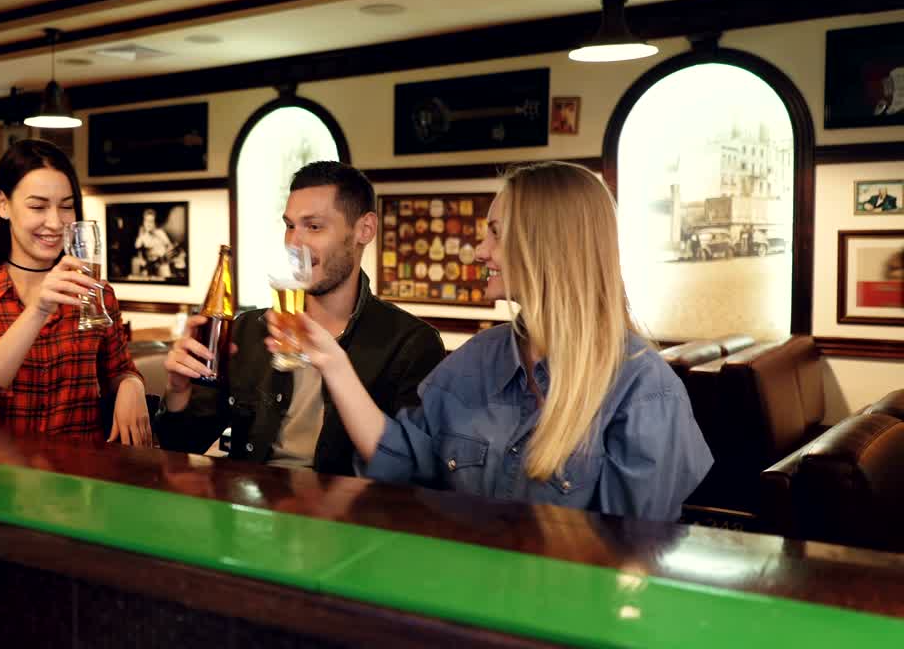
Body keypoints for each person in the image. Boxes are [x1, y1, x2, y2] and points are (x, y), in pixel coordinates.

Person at [271, 162, 712, 521]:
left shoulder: (644, 389)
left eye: (495, 233)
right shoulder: (478, 358)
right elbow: (403, 460)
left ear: (549, 244)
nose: (479, 251)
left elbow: (633, 557)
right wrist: (334, 364)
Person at [161, 161, 445, 475]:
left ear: (365, 230)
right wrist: (178, 390)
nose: (294, 243)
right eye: (290, 225)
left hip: (350, 516)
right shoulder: (248, 330)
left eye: (314, 226)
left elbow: (414, 476)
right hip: (253, 510)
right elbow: (181, 445)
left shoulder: (411, 344)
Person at [0, 139, 152, 445]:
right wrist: (37, 310)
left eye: (66, 206)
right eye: (38, 206)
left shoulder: (95, 293)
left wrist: (132, 384)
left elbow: (118, 370)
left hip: (78, 478)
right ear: (3, 205)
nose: (55, 222)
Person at [132, 208, 175, 278]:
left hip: (162, 263)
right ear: (143, 222)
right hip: (150, 265)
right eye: (146, 221)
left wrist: (166, 255)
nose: (149, 224)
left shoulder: (160, 233)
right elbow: (137, 249)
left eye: (151, 221)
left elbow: (170, 246)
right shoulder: (142, 236)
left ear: (155, 223)